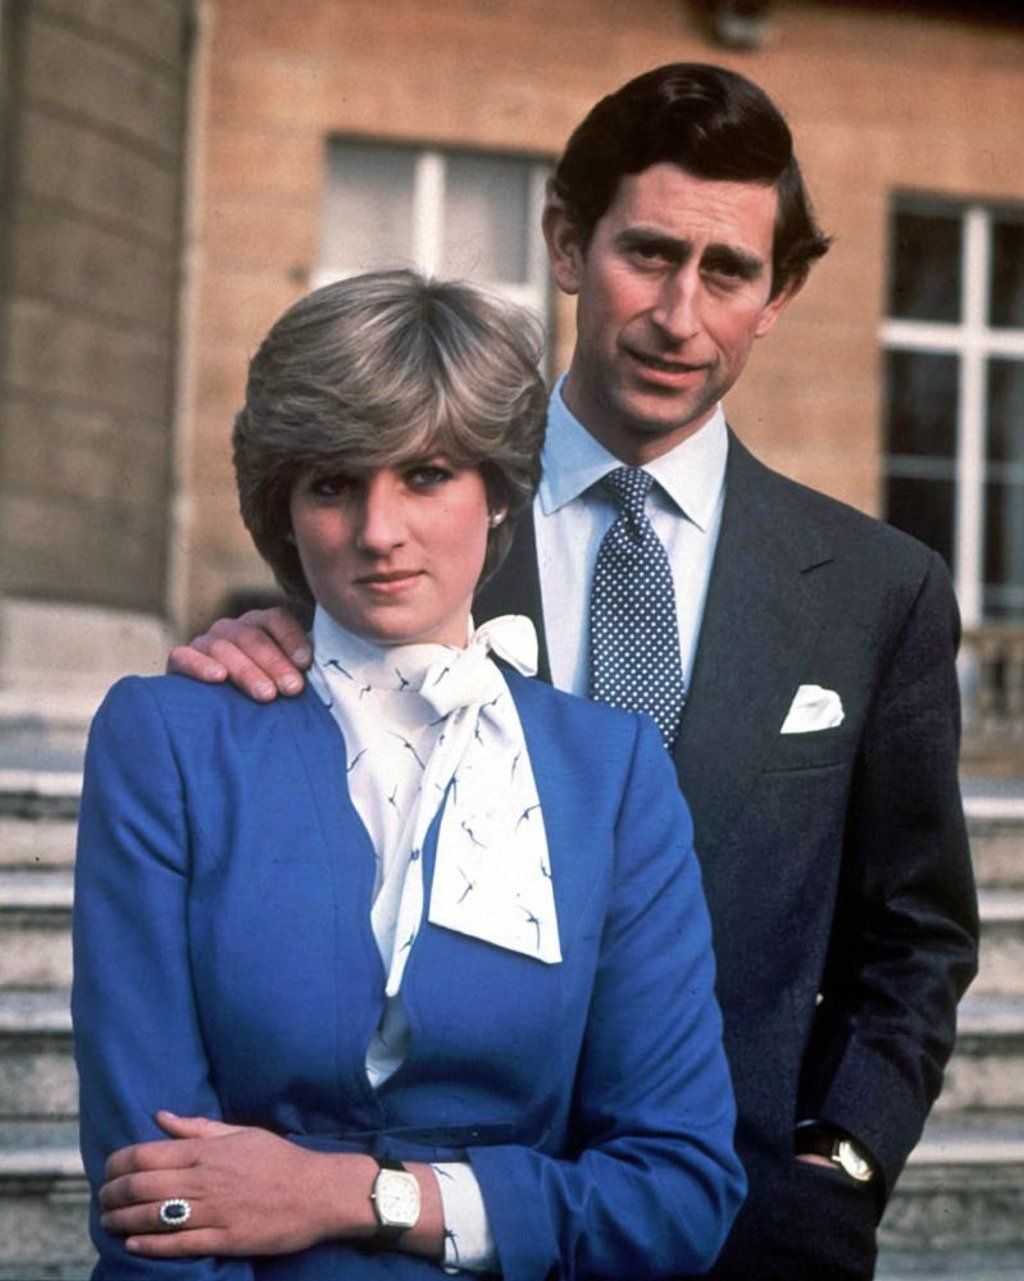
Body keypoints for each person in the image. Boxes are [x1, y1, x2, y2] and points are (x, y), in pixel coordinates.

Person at [169, 64, 981, 1280]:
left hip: (748, 1227)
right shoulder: (406, 534)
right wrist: (256, 642)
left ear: (780, 293)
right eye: (646, 255)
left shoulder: (880, 590)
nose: (678, 316)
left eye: (728, 273)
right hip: (415, 1222)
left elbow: (916, 933)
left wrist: (842, 1160)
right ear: (564, 243)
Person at [71, 269, 745, 1280]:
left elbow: (677, 1196)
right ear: (283, 508)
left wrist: (358, 1196)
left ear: (498, 491)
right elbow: (153, 1197)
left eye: (425, 475)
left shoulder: (609, 774)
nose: (378, 533)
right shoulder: (169, 739)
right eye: (334, 484)